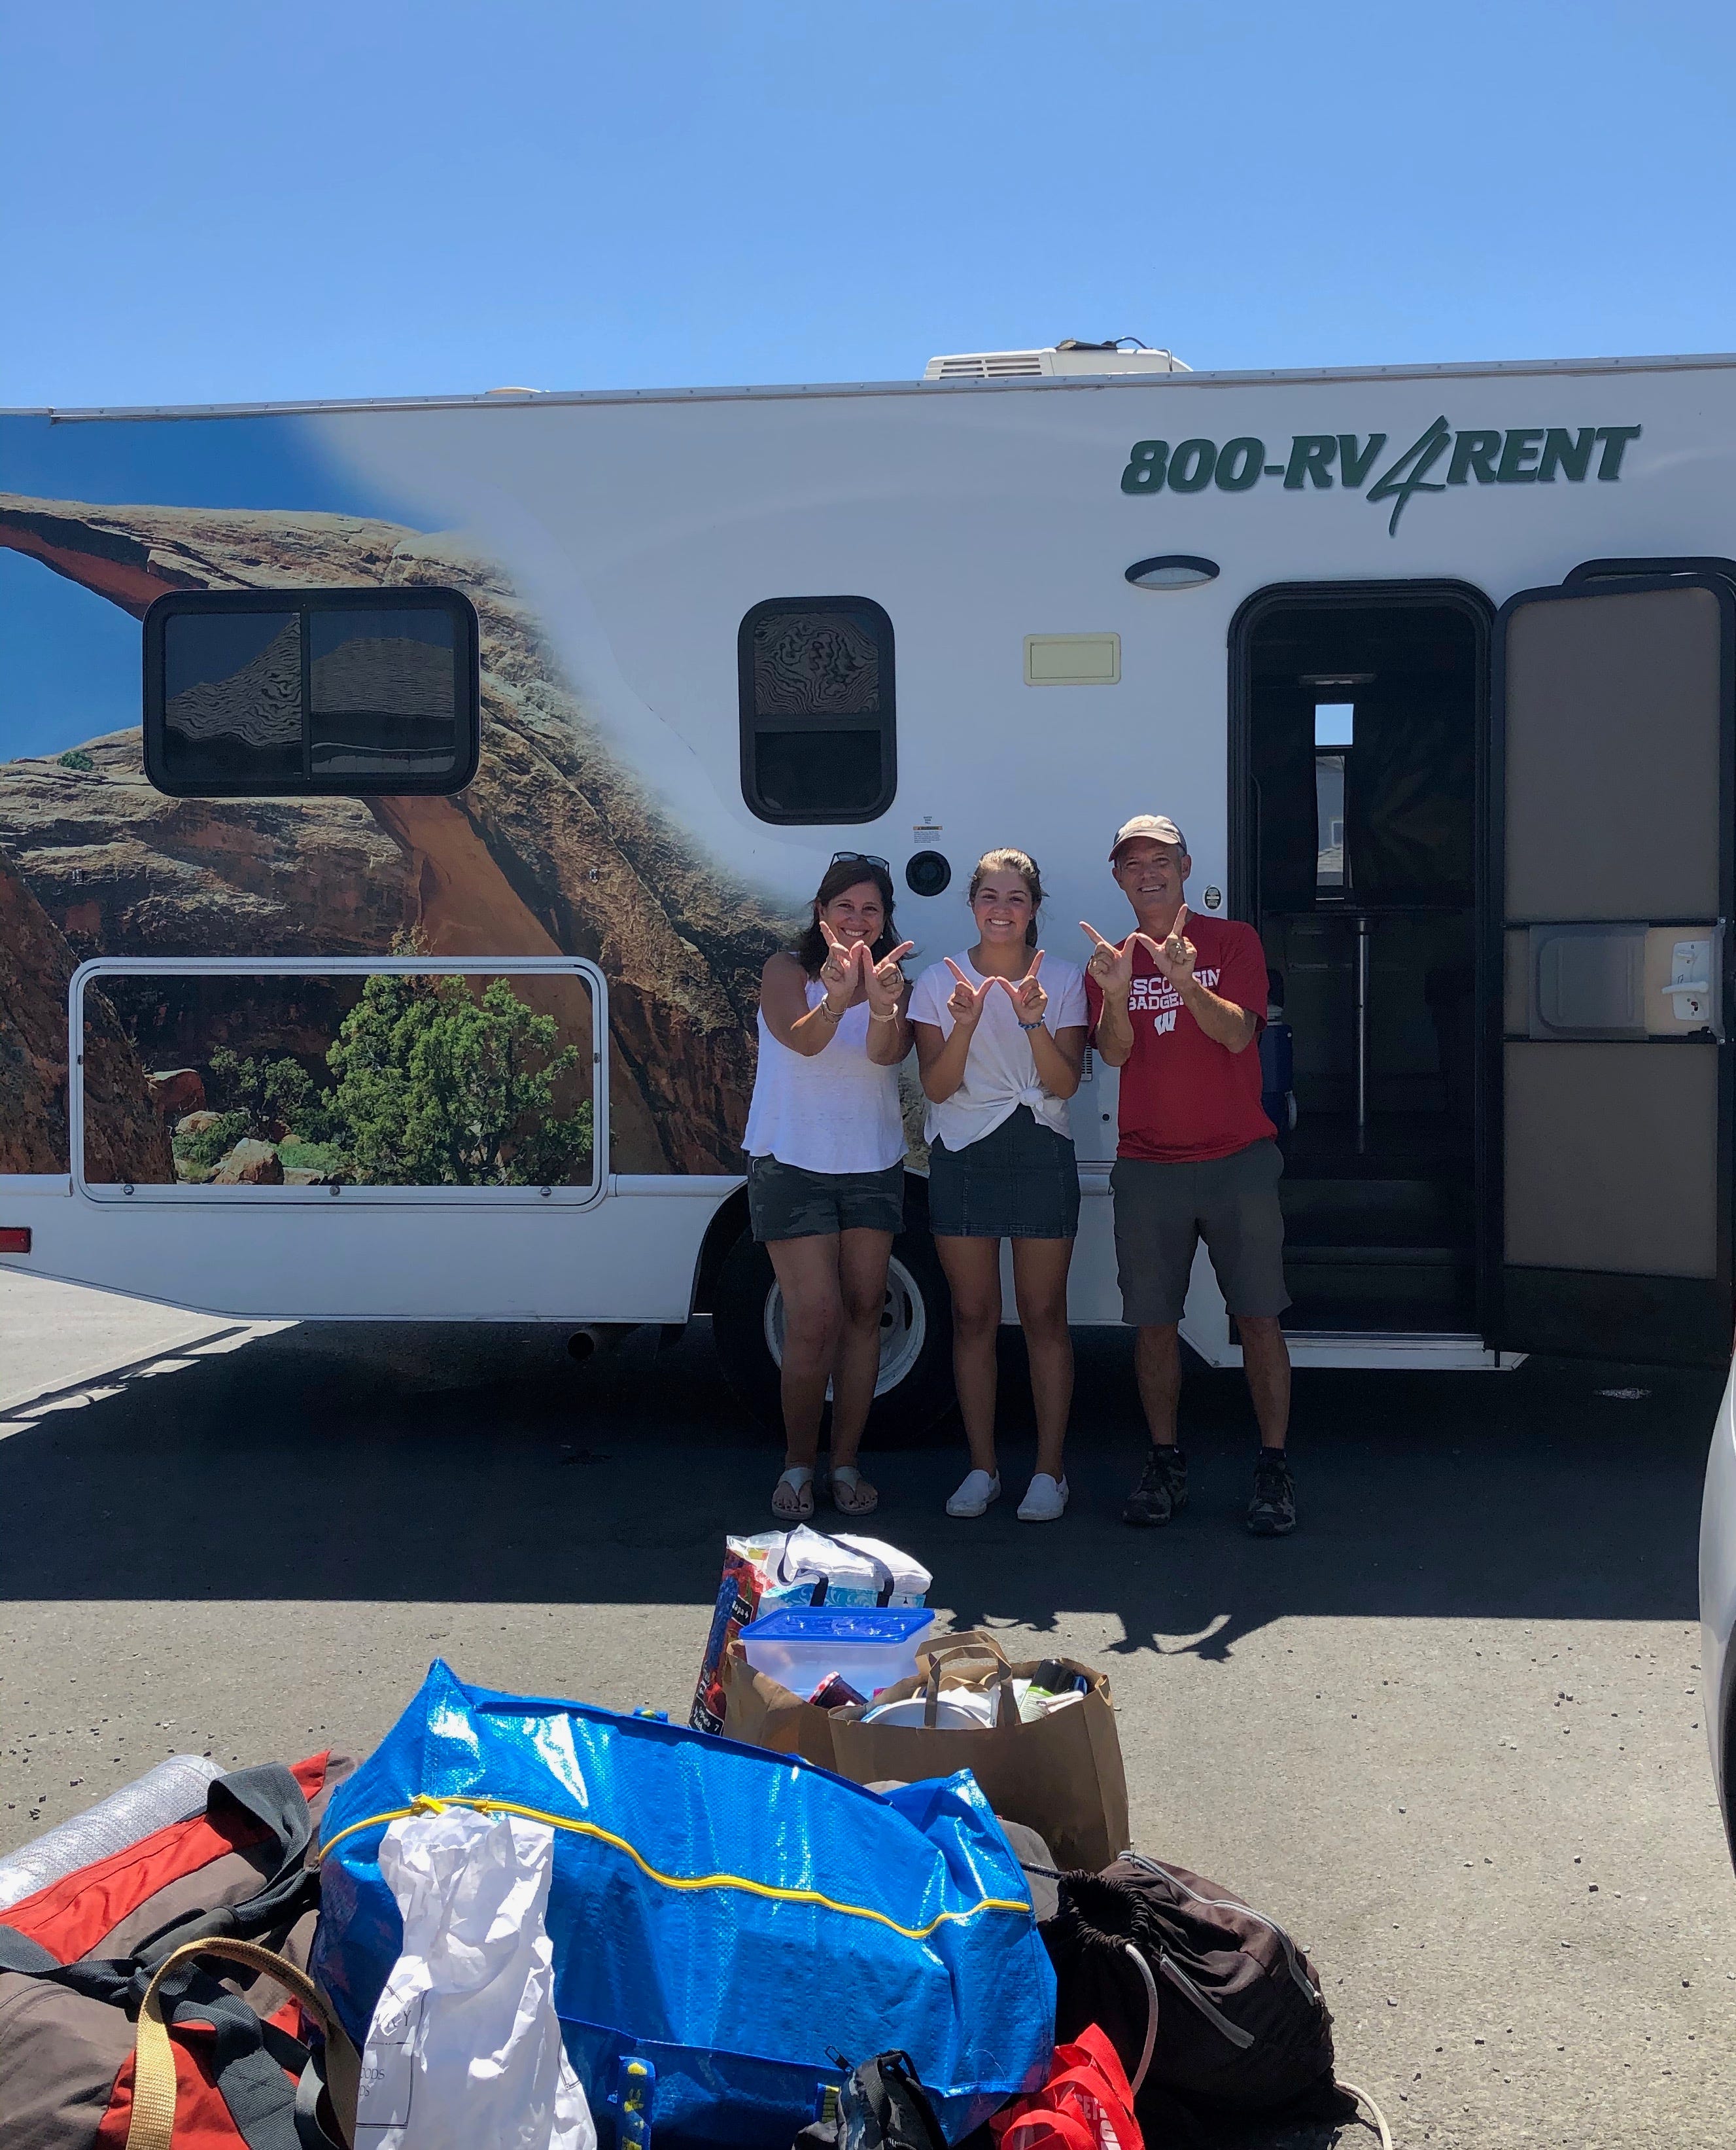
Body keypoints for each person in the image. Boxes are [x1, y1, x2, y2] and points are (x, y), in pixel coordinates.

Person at [1081, 815, 1296, 1536]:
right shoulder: (1109, 961)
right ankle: (1164, 1461)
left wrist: (1184, 983)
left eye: (1161, 859)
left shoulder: (1232, 941)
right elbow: (1111, 1057)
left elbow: (1238, 1032)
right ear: (1117, 877)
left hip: (1237, 1160)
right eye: (1132, 863)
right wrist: (1115, 995)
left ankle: (1272, 1466)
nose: (1147, 872)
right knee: (1153, 1326)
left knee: (1259, 1317)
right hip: (1148, 1167)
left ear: (1184, 865)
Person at [909, 849, 1088, 1523]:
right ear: (972, 904)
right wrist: (962, 1023)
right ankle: (981, 1467)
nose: (1001, 910)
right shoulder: (936, 982)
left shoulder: (1063, 979)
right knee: (973, 1317)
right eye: (989, 897)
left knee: (1044, 1315)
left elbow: (1064, 1083)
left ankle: (1049, 1472)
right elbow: (935, 1085)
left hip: (1040, 1148)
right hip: (961, 1152)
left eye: (1015, 898)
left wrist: (1032, 1019)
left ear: (1033, 908)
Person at [742, 854, 914, 1523]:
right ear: (822, 912)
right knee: (813, 1319)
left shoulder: (895, 980)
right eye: (845, 906)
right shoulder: (786, 971)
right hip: (792, 1161)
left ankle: (845, 1462)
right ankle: (797, 1462)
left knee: (866, 1309)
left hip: (870, 1161)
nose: (856, 918)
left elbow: (884, 1055)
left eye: (869, 909)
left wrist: (879, 1005)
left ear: (883, 918)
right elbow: (801, 1041)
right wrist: (837, 996)